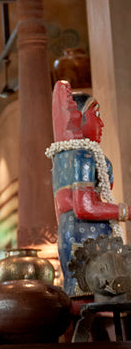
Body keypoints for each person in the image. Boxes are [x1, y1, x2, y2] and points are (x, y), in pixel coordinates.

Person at [46, 80, 128, 297]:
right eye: (96, 115)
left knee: (79, 292)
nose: (101, 124)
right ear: (79, 118)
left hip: (69, 230)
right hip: (87, 233)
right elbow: (84, 207)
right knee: (102, 293)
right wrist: (125, 211)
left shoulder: (61, 157)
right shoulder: (82, 155)